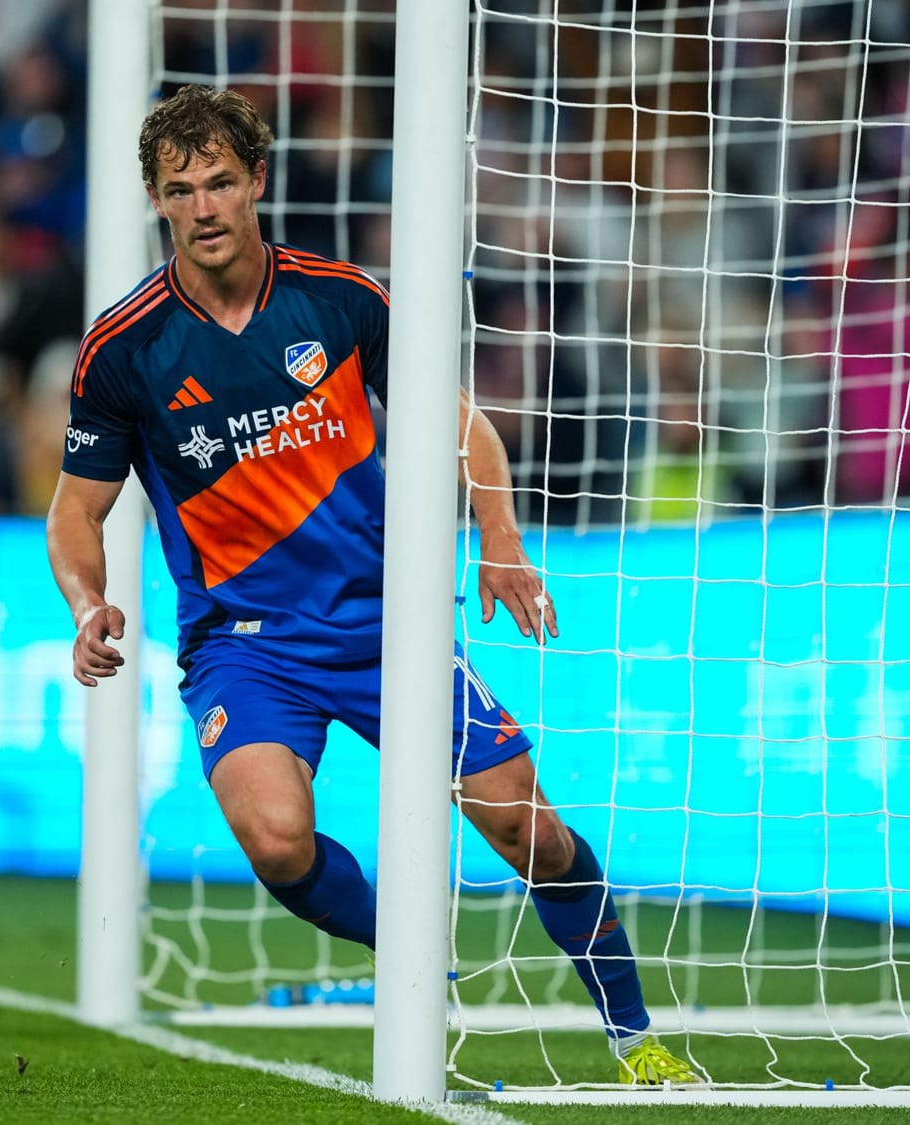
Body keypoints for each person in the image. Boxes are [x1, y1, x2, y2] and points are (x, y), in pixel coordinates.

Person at [45, 86, 696, 1085]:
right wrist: (89, 606)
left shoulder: (340, 300)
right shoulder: (125, 348)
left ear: (255, 181)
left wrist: (499, 535)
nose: (205, 206)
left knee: (524, 824)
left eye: (221, 181)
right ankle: (410, 959)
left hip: (383, 624)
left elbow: (459, 421)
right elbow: (75, 514)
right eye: (182, 190)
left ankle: (633, 1031)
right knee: (272, 838)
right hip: (245, 642)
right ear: (157, 201)